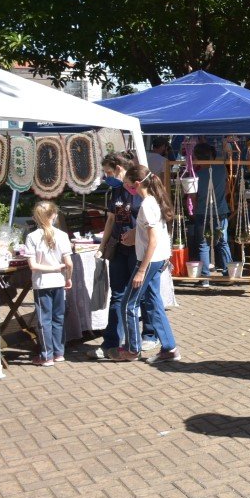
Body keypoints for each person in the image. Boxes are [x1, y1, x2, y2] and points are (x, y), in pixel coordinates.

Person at [108, 164, 180, 364]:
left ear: (137, 184)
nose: (127, 188)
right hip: (157, 259)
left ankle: (132, 349)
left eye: (128, 184)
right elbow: (154, 233)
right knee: (154, 302)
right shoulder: (153, 201)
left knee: (128, 304)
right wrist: (134, 235)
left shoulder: (147, 204)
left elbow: (153, 240)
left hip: (149, 260)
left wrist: (140, 270)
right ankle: (169, 347)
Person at [91, 152, 158, 360]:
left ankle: (148, 334)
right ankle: (112, 340)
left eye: (109, 172)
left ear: (120, 168)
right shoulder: (116, 191)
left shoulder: (140, 190)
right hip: (118, 248)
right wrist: (102, 245)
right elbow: (111, 219)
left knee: (141, 294)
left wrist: (135, 236)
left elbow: (152, 226)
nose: (107, 176)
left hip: (138, 250)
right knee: (117, 294)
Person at [25, 201, 74, 366]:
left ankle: (47, 355)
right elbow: (69, 263)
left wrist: (51, 268)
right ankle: (59, 352)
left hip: (42, 282)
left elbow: (32, 265)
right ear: (53, 215)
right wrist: (68, 277)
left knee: (44, 320)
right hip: (58, 281)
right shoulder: (62, 235)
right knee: (58, 318)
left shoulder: (31, 237)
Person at [189, 142, 232, 287]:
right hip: (220, 211)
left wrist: (195, 209)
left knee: (203, 243)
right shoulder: (221, 169)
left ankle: (205, 278)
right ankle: (228, 273)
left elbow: (193, 196)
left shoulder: (197, 175)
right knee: (223, 241)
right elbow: (227, 190)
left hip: (202, 211)